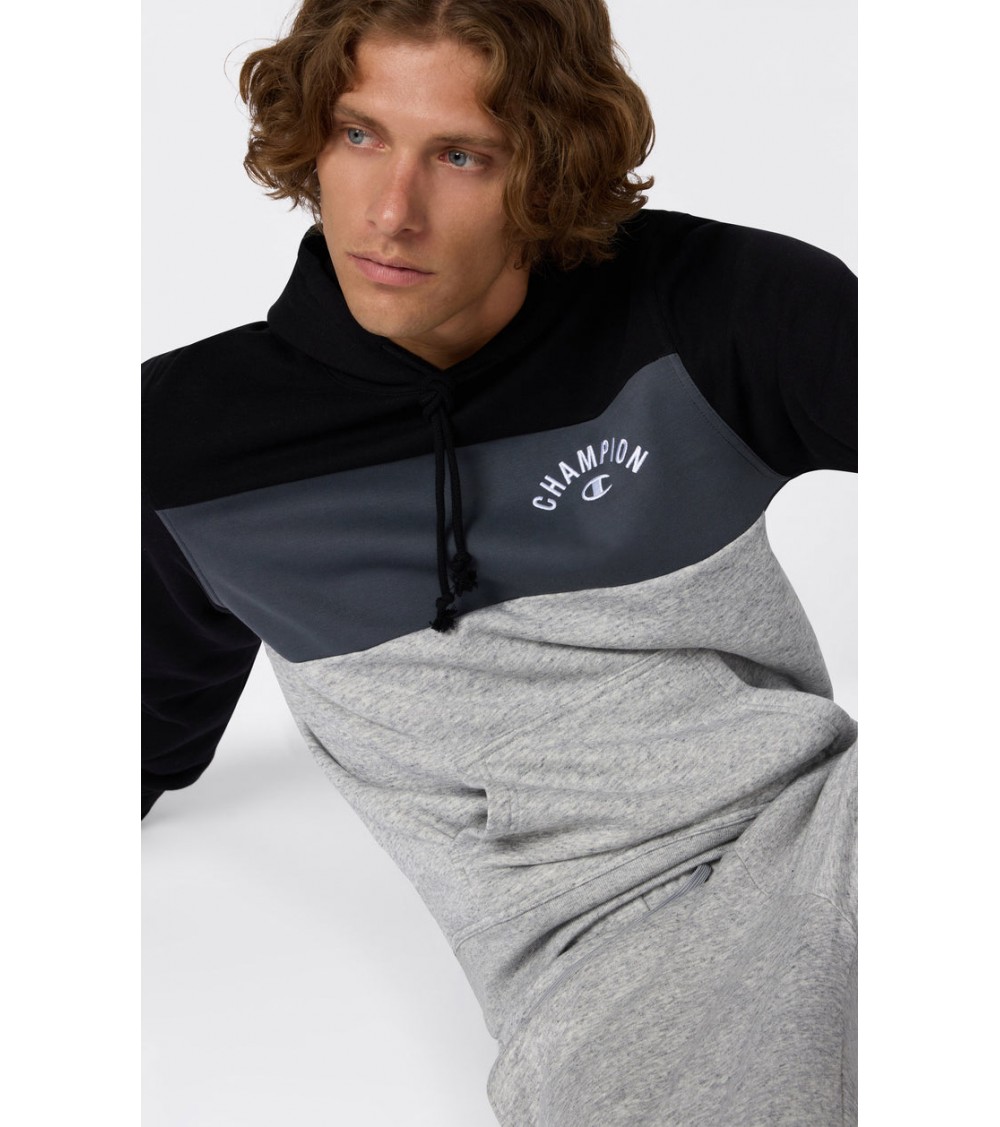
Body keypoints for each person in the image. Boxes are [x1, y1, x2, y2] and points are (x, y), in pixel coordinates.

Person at [143, 0, 857, 1122]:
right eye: (360, 134)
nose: (392, 212)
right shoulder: (192, 451)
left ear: (547, 168)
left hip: (840, 831)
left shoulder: (706, 309)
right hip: (610, 981)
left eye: (462, 155)